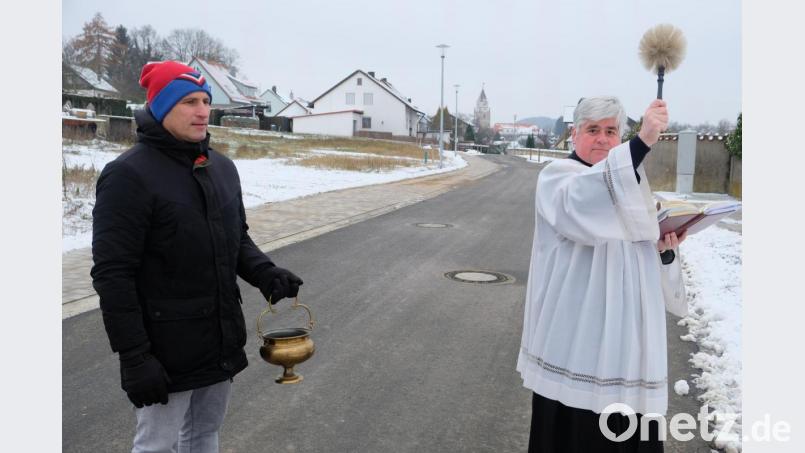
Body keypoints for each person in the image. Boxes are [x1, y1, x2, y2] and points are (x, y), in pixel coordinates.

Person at [91, 60, 304, 453]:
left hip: (217, 338)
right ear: (160, 107)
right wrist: (135, 357)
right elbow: (112, 274)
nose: (203, 110)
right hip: (164, 347)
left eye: (205, 100)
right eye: (189, 101)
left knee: (204, 435)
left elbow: (235, 240)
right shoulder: (128, 175)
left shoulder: (221, 168)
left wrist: (266, 273)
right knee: (157, 445)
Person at [516, 96, 688, 452]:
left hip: (630, 352)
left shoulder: (631, 186)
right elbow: (585, 201)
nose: (602, 139)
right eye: (592, 130)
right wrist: (641, 144)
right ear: (574, 133)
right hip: (578, 348)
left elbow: (641, 261)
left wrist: (665, 251)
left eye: (611, 131)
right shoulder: (558, 179)